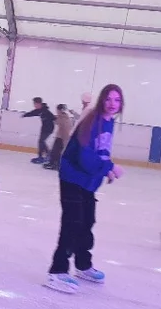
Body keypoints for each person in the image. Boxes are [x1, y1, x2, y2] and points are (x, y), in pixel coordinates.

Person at [44, 85, 124, 293]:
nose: (112, 104)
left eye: (116, 100)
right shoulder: (92, 121)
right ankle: (57, 271)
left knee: (87, 222)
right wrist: (109, 167)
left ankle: (82, 264)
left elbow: (101, 152)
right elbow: (84, 156)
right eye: (108, 99)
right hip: (72, 177)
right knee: (72, 223)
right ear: (101, 101)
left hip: (88, 181)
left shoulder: (108, 123)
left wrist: (106, 170)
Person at [23, 97, 56, 164]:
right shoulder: (39, 110)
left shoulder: (46, 111)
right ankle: (42, 156)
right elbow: (33, 113)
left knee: (41, 141)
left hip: (49, 128)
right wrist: (25, 115)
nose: (34, 105)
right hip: (44, 128)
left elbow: (54, 118)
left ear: (38, 103)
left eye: (34, 104)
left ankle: (47, 155)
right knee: (41, 141)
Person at [44, 104, 75, 171]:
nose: (56, 111)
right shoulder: (64, 116)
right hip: (62, 136)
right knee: (56, 151)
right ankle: (53, 163)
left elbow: (57, 122)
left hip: (63, 137)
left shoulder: (63, 118)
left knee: (56, 151)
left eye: (57, 110)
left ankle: (54, 164)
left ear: (60, 110)